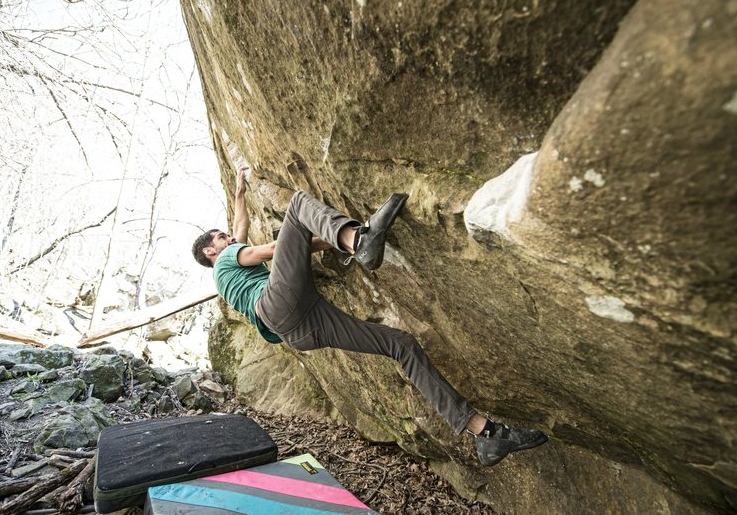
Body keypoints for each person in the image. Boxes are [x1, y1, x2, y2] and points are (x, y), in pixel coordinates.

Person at [192, 169, 548, 466]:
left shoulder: (226, 270)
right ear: (211, 251)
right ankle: (358, 241)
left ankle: (485, 433)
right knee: (299, 204)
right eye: (221, 237)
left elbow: (240, 227)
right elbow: (269, 248)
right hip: (277, 303)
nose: (230, 236)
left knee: (401, 345)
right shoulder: (227, 259)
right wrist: (341, 238)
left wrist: (240, 194)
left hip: (297, 330)